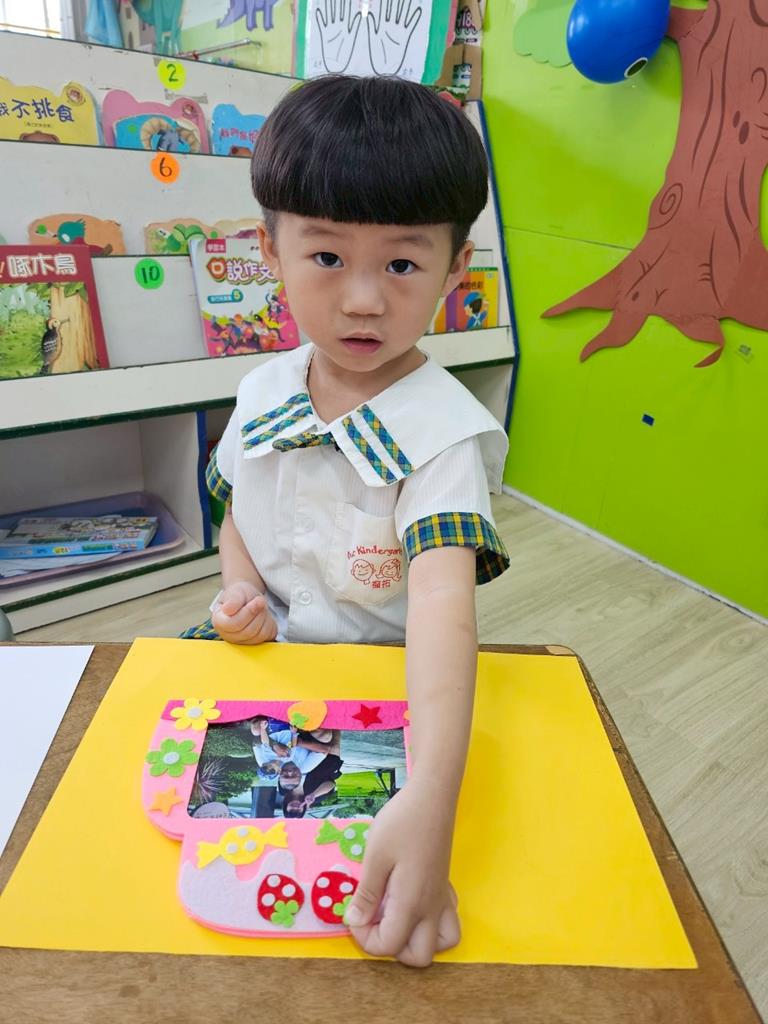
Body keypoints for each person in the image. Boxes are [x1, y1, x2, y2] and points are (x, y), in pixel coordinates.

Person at [180, 75, 510, 966]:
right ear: (270, 249)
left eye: (401, 265)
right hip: (267, 668)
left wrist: (433, 796)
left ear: (456, 268)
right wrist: (240, 591)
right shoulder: (262, 391)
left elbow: (443, 607)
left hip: (389, 697)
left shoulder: (441, 437)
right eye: (326, 257)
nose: (363, 300)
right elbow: (238, 511)